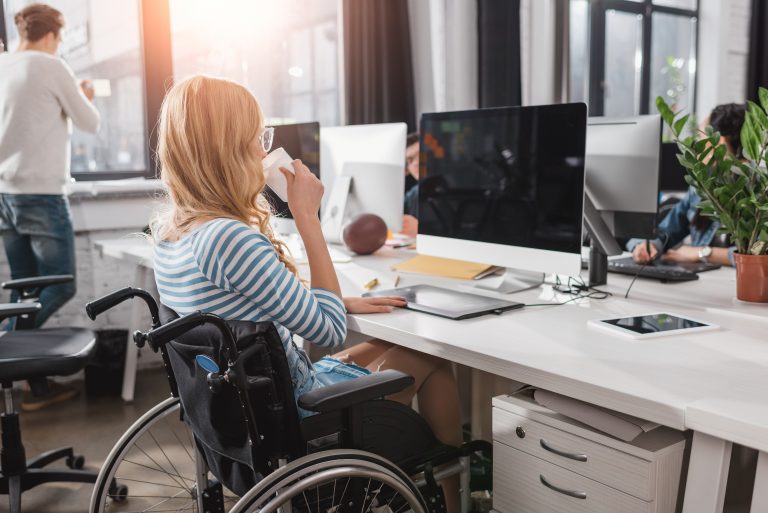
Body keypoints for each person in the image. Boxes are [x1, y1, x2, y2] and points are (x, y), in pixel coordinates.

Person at [152, 76, 462, 511]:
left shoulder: (171, 234)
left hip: (240, 418)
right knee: (433, 356)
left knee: (389, 343)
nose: (264, 151)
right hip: (299, 417)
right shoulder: (228, 238)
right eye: (256, 139)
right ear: (229, 150)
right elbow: (331, 331)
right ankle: (454, 491)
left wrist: (331, 298)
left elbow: (243, 304)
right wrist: (306, 216)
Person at [0, 3, 100, 411]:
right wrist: (83, 96)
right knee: (61, 285)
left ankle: (30, 389)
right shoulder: (50, 65)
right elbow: (91, 122)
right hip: (40, 193)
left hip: (4, 194)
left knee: (25, 289)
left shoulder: (4, 64)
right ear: (53, 36)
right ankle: (7, 350)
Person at [628, 103, 745, 266]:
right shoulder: (700, 187)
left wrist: (702, 253)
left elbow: (761, 257)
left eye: (700, 137)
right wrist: (647, 246)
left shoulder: (758, 194)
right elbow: (665, 231)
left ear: (720, 143)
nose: (696, 146)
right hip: (702, 281)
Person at [402, 132, 420, 238]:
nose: (416, 163)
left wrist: (421, 230)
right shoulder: (413, 195)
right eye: (410, 160)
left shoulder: (459, 190)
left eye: (420, 154)